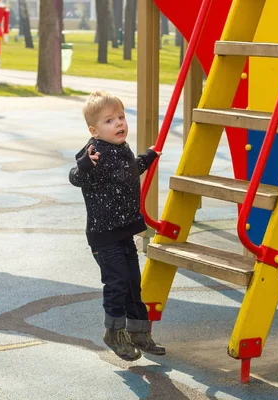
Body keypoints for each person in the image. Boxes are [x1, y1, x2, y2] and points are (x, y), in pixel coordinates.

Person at [69, 90, 166, 361]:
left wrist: (148, 157)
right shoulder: (94, 150)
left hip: (123, 232)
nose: (119, 123)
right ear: (94, 130)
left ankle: (139, 333)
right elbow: (75, 177)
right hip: (104, 235)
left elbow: (130, 170)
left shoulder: (121, 148)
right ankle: (114, 332)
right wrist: (86, 165)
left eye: (121, 117)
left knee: (133, 284)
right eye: (109, 120)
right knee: (117, 284)